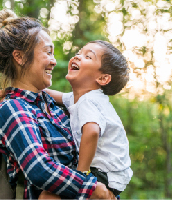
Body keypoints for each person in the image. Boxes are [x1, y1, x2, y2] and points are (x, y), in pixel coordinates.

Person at [0, 9, 115, 199]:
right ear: (20, 57)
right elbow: (40, 169)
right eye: (48, 52)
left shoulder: (53, 105)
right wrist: (93, 189)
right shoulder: (13, 109)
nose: (54, 61)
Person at [41, 40, 133, 198]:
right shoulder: (83, 98)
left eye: (88, 57)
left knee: (47, 196)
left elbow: (91, 132)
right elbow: (52, 95)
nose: (77, 57)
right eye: (79, 53)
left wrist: (81, 174)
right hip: (113, 176)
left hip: (106, 174)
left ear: (103, 79)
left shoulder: (88, 101)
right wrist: (20, 88)